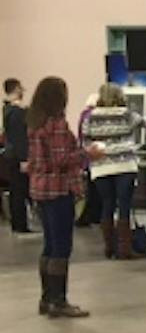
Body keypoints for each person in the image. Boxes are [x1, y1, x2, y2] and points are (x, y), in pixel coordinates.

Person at [26, 77, 97, 318]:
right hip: (58, 190)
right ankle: (59, 300)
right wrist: (87, 154)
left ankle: (46, 298)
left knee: (49, 244)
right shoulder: (56, 123)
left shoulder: (34, 121)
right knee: (61, 246)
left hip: (40, 189)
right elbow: (61, 159)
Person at [80, 83, 146, 259]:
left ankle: (109, 247)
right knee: (124, 205)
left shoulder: (90, 116)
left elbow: (85, 139)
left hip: (101, 166)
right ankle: (125, 248)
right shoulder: (125, 114)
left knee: (107, 204)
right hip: (124, 164)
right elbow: (144, 122)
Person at [3, 78, 34, 233]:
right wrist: (24, 159)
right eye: (21, 88)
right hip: (17, 156)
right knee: (20, 191)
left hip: (11, 155)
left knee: (17, 190)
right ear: (16, 89)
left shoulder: (7, 110)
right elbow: (19, 138)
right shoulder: (16, 113)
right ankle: (20, 224)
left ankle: (18, 223)